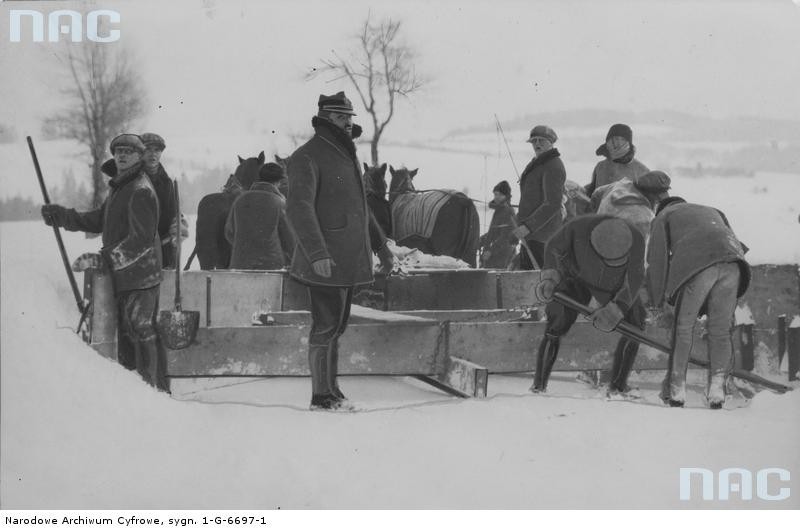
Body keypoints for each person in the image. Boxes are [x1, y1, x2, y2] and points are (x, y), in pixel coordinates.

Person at [286, 91, 394, 411]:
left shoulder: (347, 155)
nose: (347, 123)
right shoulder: (307, 156)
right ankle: (321, 396)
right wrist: (317, 254)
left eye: (349, 118)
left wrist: (382, 247)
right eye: (340, 118)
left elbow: (362, 211)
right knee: (324, 327)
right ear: (324, 119)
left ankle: (332, 390)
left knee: (336, 327)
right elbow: (298, 209)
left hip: (347, 262)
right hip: (325, 262)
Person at [41, 134, 168, 392]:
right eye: (118, 151)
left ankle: (155, 393)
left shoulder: (140, 190)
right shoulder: (121, 188)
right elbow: (98, 220)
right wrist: (63, 217)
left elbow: (140, 241)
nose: (121, 155)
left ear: (139, 156)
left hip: (141, 278)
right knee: (127, 335)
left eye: (129, 151)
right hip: (124, 275)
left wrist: (106, 260)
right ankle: (137, 392)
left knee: (142, 330)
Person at [646, 197, 751, 409]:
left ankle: (676, 391)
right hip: (734, 264)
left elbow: (656, 262)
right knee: (720, 331)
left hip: (701, 265)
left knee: (684, 328)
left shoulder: (663, 217)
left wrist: (656, 302)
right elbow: (733, 242)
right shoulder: (714, 210)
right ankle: (717, 391)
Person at [530, 215, 647, 395]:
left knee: (637, 326)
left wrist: (618, 308)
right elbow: (552, 247)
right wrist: (550, 279)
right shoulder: (576, 228)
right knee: (557, 320)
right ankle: (539, 384)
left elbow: (636, 276)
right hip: (577, 278)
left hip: (615, 286)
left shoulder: (636, 238)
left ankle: (618, 385)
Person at [513, 125, 566, 269]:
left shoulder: (553, 165)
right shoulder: (538, 163)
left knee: (540, 285)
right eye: (533, 141)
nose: (536, 144)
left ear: (551, 142)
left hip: (543, 238)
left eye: (541, 140)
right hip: (531, 237)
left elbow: (552, 204)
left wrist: (528, 227)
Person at [225, 162, 295, 270]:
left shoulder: (240, 200)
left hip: (240, 265)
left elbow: (229, 233)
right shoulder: (279, 203)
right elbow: (289, 239)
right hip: (271, 266)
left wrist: (245, 246)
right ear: (279, 182)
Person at [140, 133, 188, 269]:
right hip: (137, 250)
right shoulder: (132, 180)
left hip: (164, 249)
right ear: (140, 152)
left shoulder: (166, 183)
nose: (152, 154)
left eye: (157, 150)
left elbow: (173, 212)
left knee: (167, 287)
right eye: (148, 149)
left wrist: (178, 224)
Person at [591, 170, 672, 243]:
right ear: (648, 193)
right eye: (657, 197)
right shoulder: (644, 217)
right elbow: (641, 250)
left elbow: (597, 192)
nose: (658, 200)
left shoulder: (619, 185)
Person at [585, 124, 650, 197]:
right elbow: (592, 193)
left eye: (623, 139)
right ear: (608, 141)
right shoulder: (600, 167)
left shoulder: (641, 170)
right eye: (615, 139)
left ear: (629, 143)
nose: (618, 143)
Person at [479, 180, 517, 269]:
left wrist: (491, 251)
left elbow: (506, 237)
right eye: (495, 194)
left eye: (500, 195)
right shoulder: (499, 210)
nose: (496, 197)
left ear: (506, 196)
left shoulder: (508, 211)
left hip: (502, 255)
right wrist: (482, 240)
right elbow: (494, 232)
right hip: (495, 253)